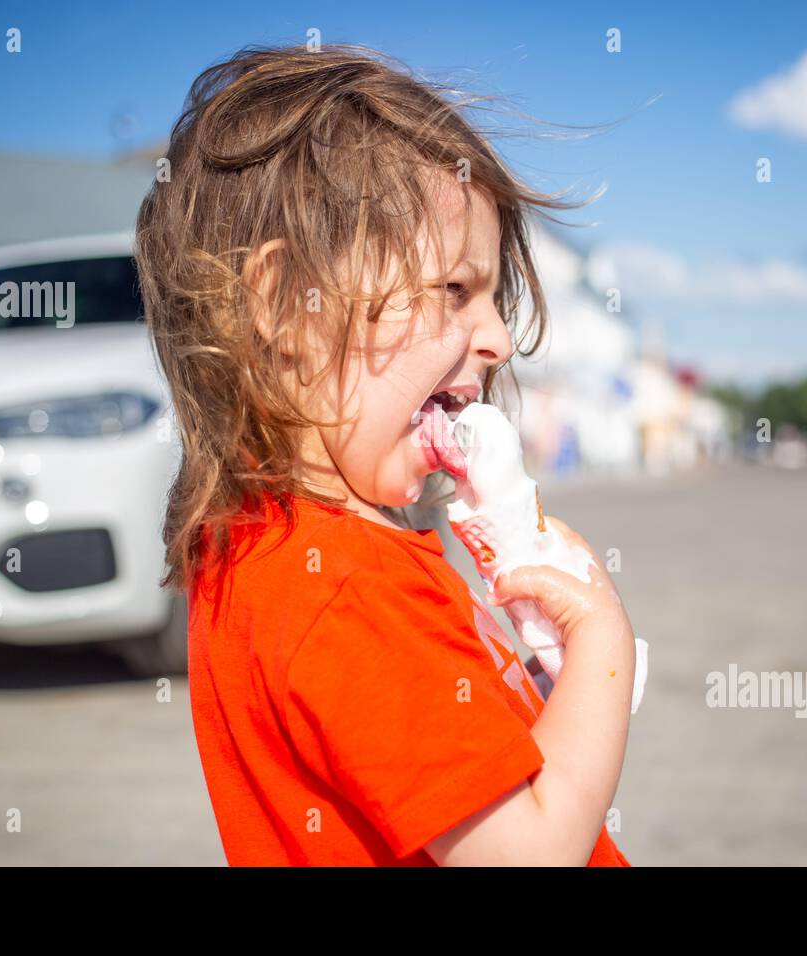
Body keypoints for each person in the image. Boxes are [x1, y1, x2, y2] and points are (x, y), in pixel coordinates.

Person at [135, 44, 637, 866]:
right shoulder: (345, 587)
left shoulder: (266, 551)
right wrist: (602, 648)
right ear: (286, 304)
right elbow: (531, 853)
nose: (501, 339)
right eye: (454, 290)